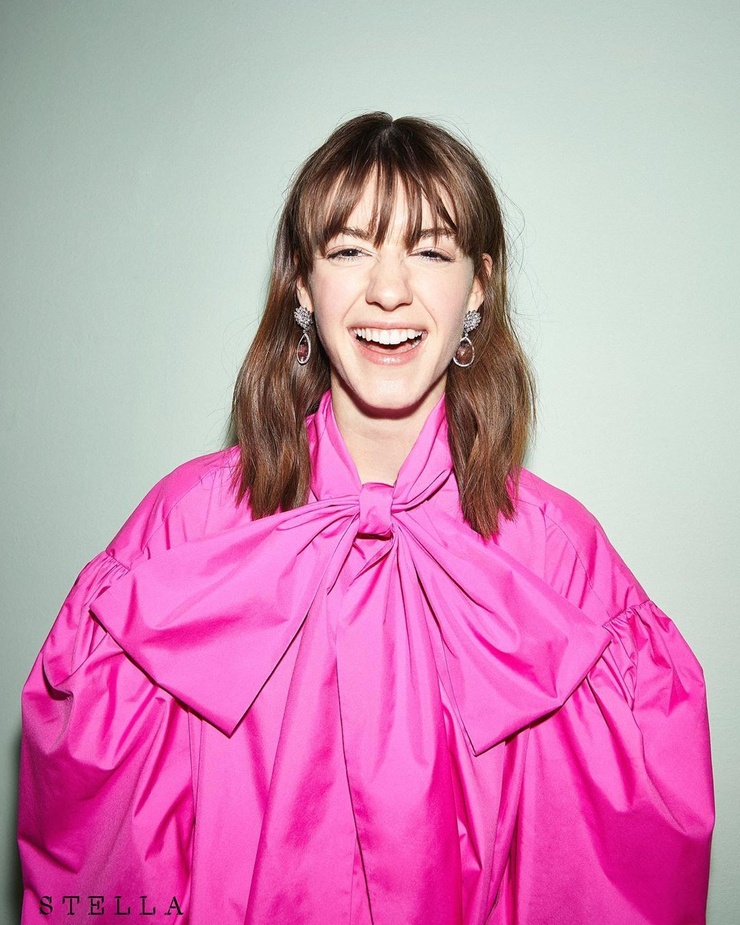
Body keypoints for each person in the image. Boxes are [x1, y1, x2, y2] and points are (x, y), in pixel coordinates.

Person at [18, 112, 713, 924]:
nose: (389, 289)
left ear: (478, 285)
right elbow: (104, 862)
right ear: (303, 284)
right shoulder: (182, 531)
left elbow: (605, 883)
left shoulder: (562, 563)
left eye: (430, 251)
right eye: (350, 250)